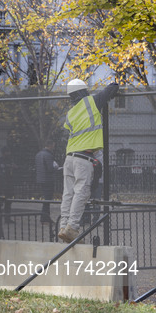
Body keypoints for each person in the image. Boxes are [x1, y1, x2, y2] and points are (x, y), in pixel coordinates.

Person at [59, 79, 118, 243]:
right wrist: (116, 81)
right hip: (83, 159)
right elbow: (112, 88)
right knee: (81, 192)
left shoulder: (70, 113)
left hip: (69, 158)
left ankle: (63, 226)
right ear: (83, 91)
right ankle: (72, 227)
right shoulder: (92, 102)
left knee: (68, 193)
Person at [35, 140, 60, 223]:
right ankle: (45, 217)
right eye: (53, 145)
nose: (54, 147)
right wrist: (56, 168)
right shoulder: (49, 155)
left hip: (41, 179)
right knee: (47, 199)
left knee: (46, 198)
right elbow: (50, 168)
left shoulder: (38, 154)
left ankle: (44, 217)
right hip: (48, 179)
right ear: (51, 145)